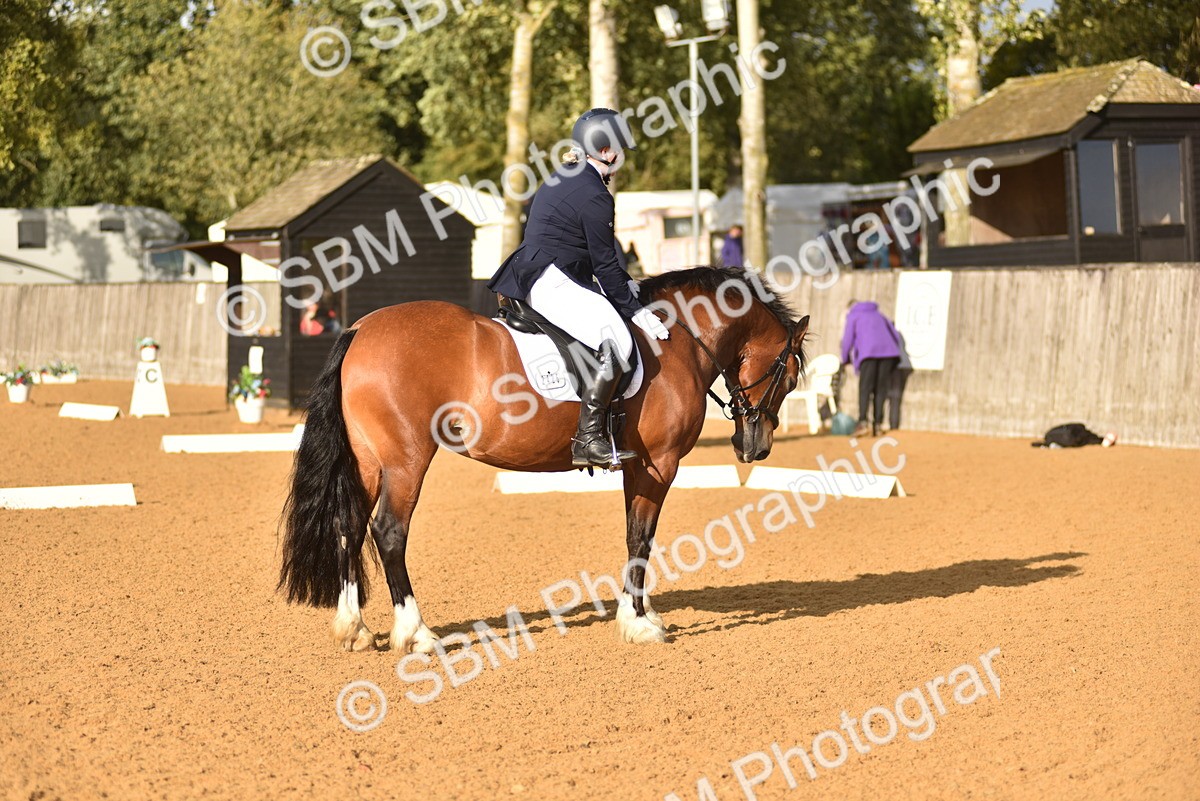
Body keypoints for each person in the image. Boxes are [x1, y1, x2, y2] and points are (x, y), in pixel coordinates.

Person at [488, 108, 670, 468]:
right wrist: (636, 313)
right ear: (607, 151)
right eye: (621, 148)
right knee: (617, 341)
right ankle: (588, 438)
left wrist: (625, 283)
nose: (623, 155)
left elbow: (589, 253)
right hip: (553, 280)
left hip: (533, 272)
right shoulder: (595, 195)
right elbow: (604, 264)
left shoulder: (565, 175)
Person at [840, 299, 901, 437]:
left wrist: (844, 359)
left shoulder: (853, 315)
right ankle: (877, 425)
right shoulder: (879, 314)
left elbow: (847, 339)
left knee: (865, 389)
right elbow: (895, 335)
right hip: (889, 354)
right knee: (881, 389)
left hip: (869, 353)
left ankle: (862, 424)